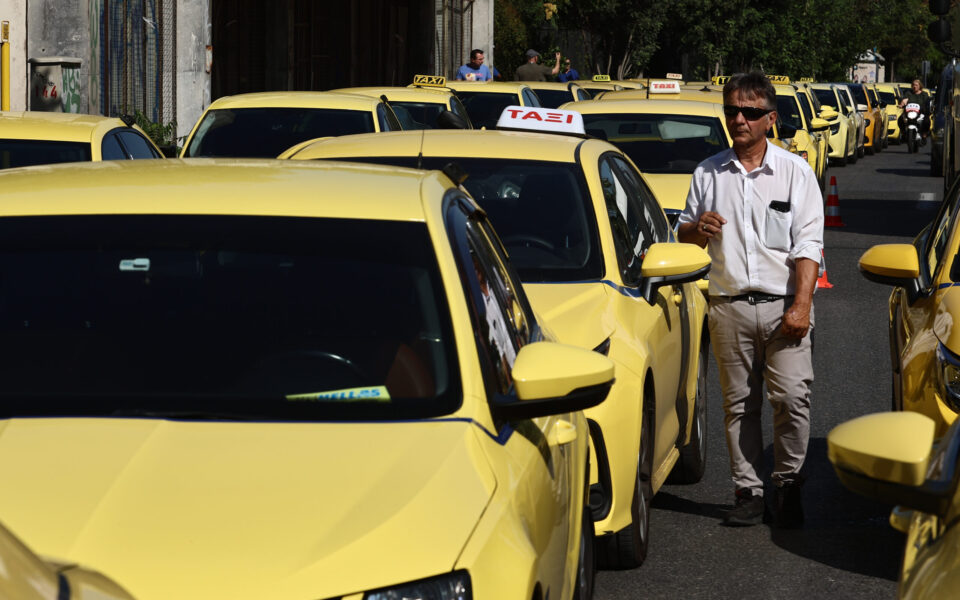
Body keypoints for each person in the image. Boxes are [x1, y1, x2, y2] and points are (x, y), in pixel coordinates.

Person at [677, 71, 823, 529]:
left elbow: (808, 245)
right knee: (739, 404)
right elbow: (682, 235)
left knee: (792, 398)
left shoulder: (795, 172)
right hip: (728, 303)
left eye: (750, 112)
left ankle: (787, 484)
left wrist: (801, 305)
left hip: (785, 304)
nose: (739, 119)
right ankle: (748, 490)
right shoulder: (708, 172)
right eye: (732, 111)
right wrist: (697, 229)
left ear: (770, 119)